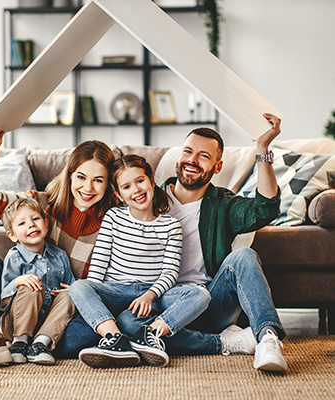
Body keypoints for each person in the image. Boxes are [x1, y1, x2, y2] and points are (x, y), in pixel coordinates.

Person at [116, 113, 289, 373]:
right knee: (128, 324)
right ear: (178, 157)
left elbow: (265, 209)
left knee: (243, 257)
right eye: (187, 152)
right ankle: (226, 342)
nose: (192, 161)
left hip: (209, 303)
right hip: (162, 304)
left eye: (204, 156)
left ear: (217, 167)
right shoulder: (148, 198)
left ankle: (266, 338)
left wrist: (262, 149)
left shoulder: (223, 203)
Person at [0, 133, 117, 369]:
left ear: (108, 183)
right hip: (23, 305)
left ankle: (28, 342)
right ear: (69, 175)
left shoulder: (113, 222)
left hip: (64, 311)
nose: (88, 188)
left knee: (81, 340)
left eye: (98, 180)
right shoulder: (40, 205)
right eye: (81, 177)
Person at [69, 154, 211, 369]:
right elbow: (98, 265)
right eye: (126, 186)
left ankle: (151, 333)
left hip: (153, 296)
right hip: (116, 291)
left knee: (200, 294)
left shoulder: (171, 226)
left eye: (140, 181)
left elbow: (170, 273)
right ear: (118, 194)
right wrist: (93, 294)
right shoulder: (113, 217)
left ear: (152, 181)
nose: (135, 190)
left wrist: (149, 295)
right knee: (79, 287)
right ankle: (116, 339)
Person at [0, 197, 76, 366]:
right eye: (22, 223)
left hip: (47, 322)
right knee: (31, 285)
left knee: (72, 293)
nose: (31, 225)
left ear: (46, 224)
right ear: (12, 235)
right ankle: (20, 343)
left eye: (35, 219)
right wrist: (18, 281)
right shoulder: (14, 258)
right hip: (16, 322)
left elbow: (71, 284)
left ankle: (41, 344)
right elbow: (2, 302)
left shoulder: (60, 256)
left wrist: (68, 292)